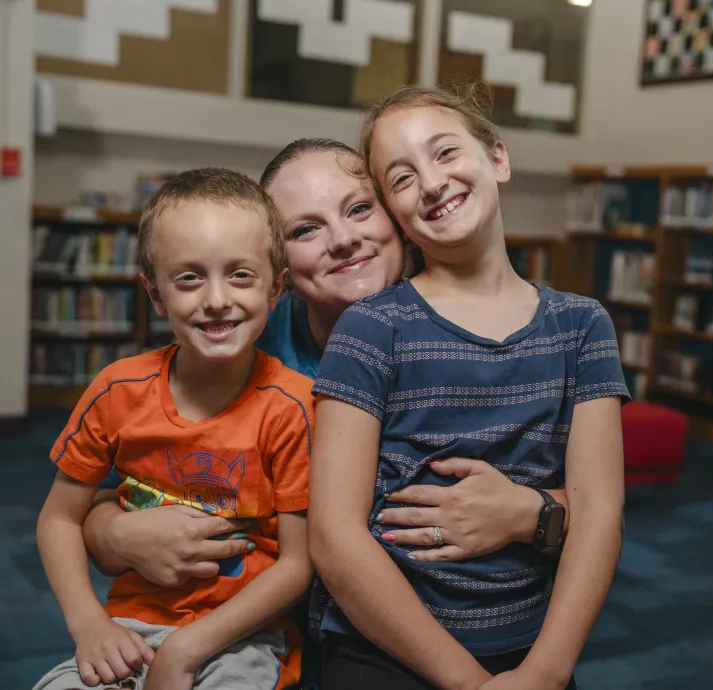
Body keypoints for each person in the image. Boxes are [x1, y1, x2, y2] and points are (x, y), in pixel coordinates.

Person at [80, 138, 573, 688]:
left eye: (360, 209)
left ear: (397, 216)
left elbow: (598, 506)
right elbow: (109, 482)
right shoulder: (238, 341)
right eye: (304, 230)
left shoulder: (481, 333)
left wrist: (536, 512)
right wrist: (113, 537)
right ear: (276, 263)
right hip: (256, 634)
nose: (343, 240)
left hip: (455, 627)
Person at [307, 82, 629, 690]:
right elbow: (334, 537)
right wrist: (468, 683)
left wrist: (545, 673)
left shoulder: (583, 326)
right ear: (393, 212)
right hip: (386, 650)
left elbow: (600, 512)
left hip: (532, 652)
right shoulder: (372, 328)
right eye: (400, 179)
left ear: (498, 159)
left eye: (446, 152)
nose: (430, 183)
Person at [33, 168, 315, 690]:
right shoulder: (117, 390)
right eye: (189, 277)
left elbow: (299, 564)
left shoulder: (292, 405)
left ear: (276, 287)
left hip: (242, 639)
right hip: (127, 628)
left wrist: (188, 648)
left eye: (240, 275)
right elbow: (58, 521)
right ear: (156, 294)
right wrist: (89, 624)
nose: (215, 298)